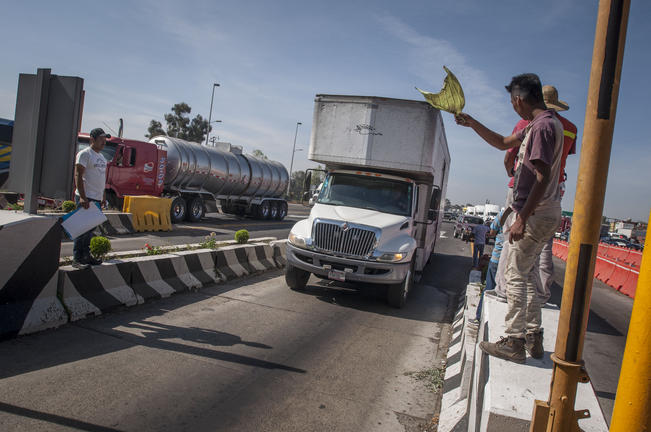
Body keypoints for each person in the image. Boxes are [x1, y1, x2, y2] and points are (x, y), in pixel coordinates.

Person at [456, 73, 563, 364]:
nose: (513, 107)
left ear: (518, 100)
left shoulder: (541, 128)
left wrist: (521, 218)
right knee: (527, 274)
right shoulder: (547, 123)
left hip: (536, 213)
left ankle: (514, 341)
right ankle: (533, 335)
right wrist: (473, 123)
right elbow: (504, 142)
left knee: (515, 276)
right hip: (547, 212)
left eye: (512, 102)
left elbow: (542, 176)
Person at [72, 128, 110, 269]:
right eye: (101, 139)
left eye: (105, 139)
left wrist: (103, 197)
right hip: (85, 197)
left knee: (89, 230)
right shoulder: (84, 154)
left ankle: (86, 257)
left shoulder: (102, 158)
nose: (104, 142)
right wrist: (82, 197)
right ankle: (77, 259)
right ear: (92, 140)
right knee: (81, 229)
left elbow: (101, 179)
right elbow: (78, 176)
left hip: (96, 198)